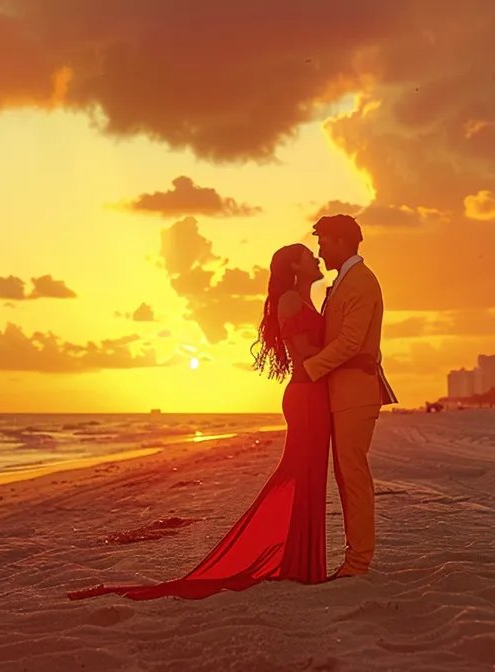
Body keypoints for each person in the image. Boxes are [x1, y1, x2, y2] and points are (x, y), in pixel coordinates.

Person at [68, 242, 376, 600]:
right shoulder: (291, 301)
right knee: (297, 477)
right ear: (295, 265)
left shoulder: (314, 299)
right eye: (309, 255)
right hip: (305, 398)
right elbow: (305, 355)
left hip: (317, 399)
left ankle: (302, 565)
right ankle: (288, 562)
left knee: (310, 482)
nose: (317, 258)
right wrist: (351, 357)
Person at [301, 214, 397, 578]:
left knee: (353, 476)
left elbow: (350, 343)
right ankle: (354, 556)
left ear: (341, 242)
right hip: (342, 393)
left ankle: (358, 561)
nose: (320, 250)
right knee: (346, 476)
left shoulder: (361, 282)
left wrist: (309, 370)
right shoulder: (345, 281)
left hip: (356, 393)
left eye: (324, 243)